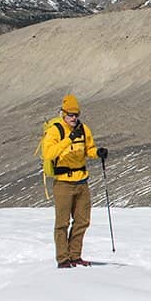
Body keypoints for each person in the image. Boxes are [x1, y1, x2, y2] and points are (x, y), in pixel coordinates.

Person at [40, 94, 109, 268]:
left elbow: (88, 149)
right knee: (62, 223)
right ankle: (63, 259)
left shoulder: (83, 129)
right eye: (70, 114)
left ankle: (75, 255)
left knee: (82, 220)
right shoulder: (55, 131)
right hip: (63, 183)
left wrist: (97, 153)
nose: (73, 118)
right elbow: (48, 153)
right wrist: (68, 140)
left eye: (76, 114)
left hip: (81, 181)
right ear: (63, 113)